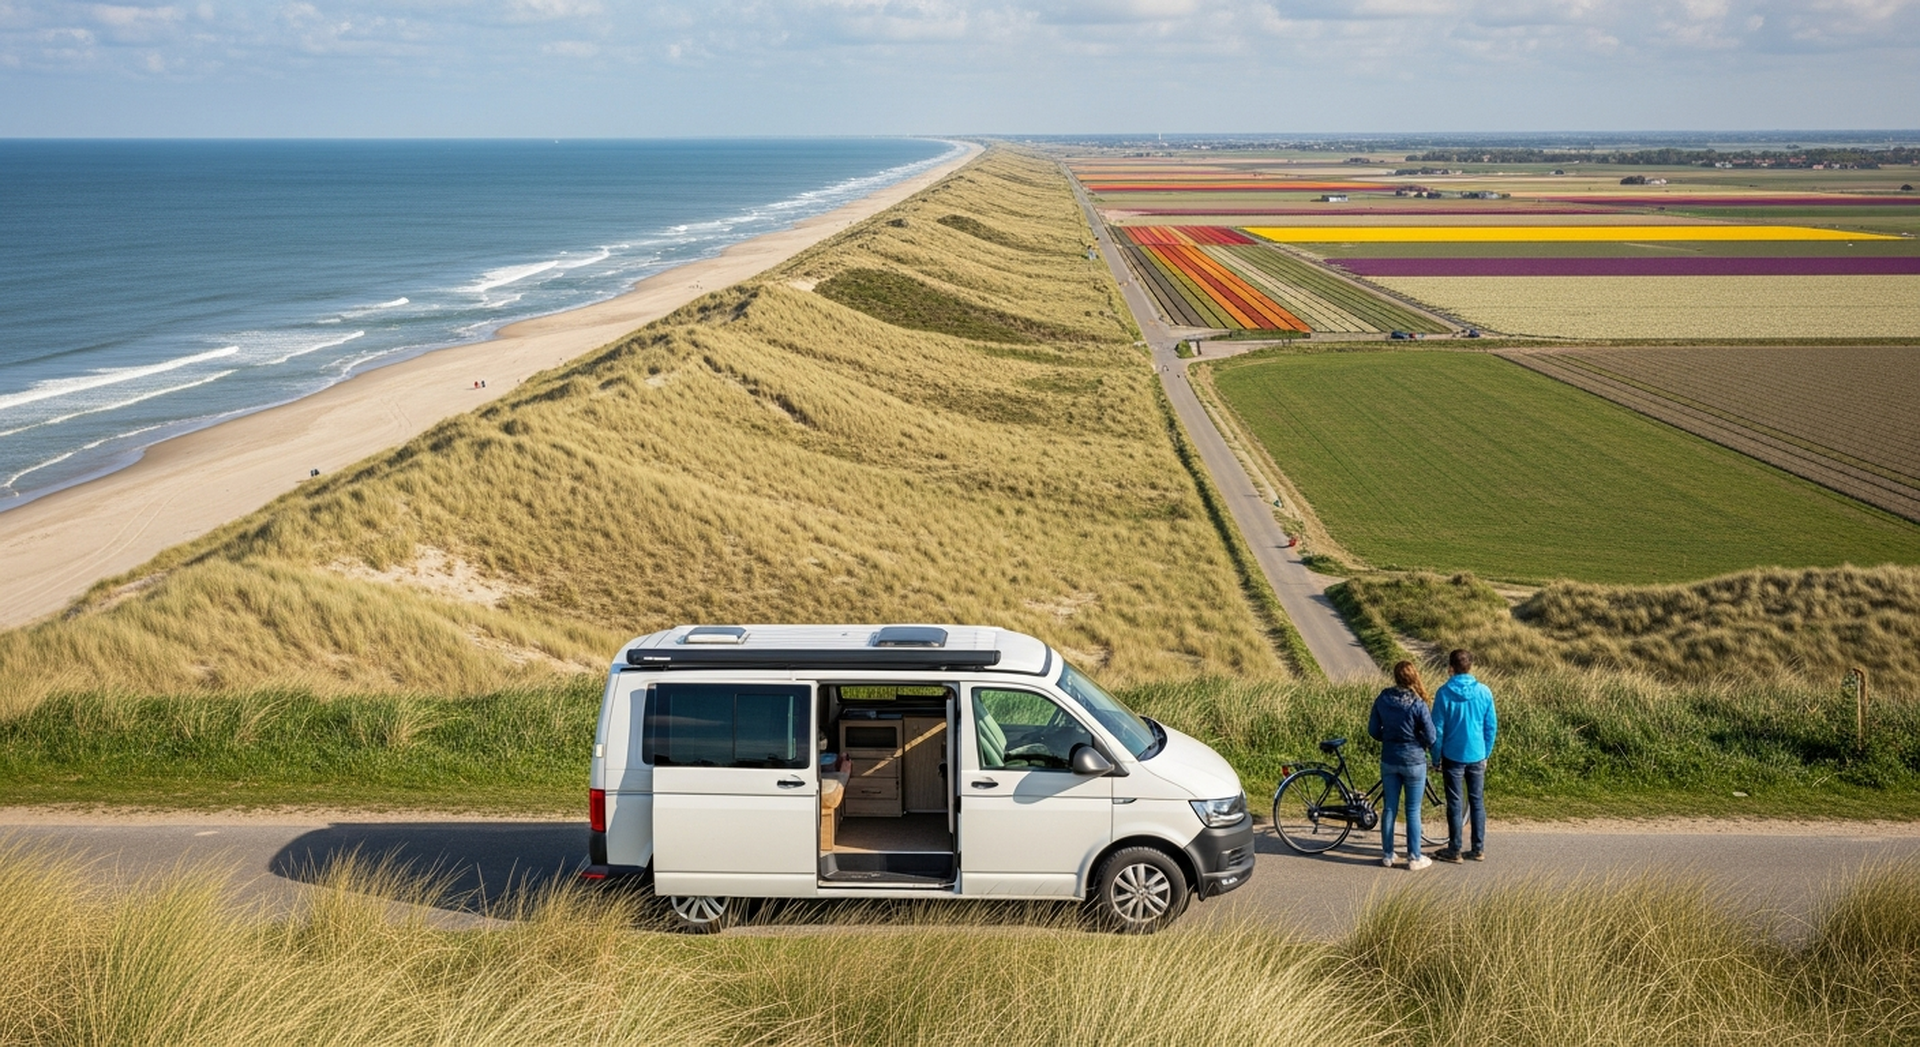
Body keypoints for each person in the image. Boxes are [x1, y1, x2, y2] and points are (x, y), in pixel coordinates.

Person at [1431, 648, 1498, 863]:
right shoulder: (1484, 691)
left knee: (1455, 802)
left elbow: (1437, 729)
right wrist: (1486, 752)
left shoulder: (1443, 693)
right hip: (1477, 753)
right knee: (1477, 801)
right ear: (1470, 666)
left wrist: (1435, 755)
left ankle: (1455, 848)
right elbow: (1491, 727)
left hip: (1452, 754)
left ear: (1451, 668)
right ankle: (1478, 848)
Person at [1367, 660, 1436, 870]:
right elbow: (1432, 735)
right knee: (1413, 810)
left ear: (1395, 676)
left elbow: (1373, 730)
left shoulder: (1383, 698)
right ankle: (1414, 856)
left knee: (1389, 808)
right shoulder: (1417, 703)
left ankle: (1388, 854)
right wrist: (1422, 743)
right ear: (1414, 677)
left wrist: (1387, 737)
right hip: (1414, 760)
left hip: (1389, 758)